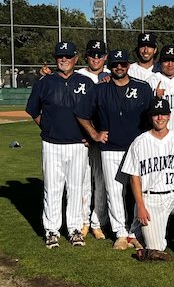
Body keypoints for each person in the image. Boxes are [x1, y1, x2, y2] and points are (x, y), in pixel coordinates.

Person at [75, 49, 153, 250]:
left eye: (123, 63)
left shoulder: (143, 88)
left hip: (137, 148)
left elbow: (151, 117)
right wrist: (94, 134)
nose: (119, 67)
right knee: (114, 191)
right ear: (110, 65)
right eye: (116, 64)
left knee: (140, 191)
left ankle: (135, 231)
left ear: (129, 65)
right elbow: (82, 114)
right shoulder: (99, 89)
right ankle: (120, 232)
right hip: (110, 148)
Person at [25, 41, 95, 248]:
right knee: (52, 188)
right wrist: (46, 128)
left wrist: (89, 135)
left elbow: (95, 111)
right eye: (60, 56)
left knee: (75, 188)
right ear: (55, 59)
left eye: (67, 56)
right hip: (52, 143)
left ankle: (74, 228)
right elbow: (33, 110)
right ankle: (52, 230)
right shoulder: (44, 82)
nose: (63, 59)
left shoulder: (86, 82)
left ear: (75, 58)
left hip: (78, 144)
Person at [121, 98, 174, 260]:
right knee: (156, 249)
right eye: (156, 114)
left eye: (163, 114)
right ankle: (144, 241)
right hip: (151, 198)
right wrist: (141, 206)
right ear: (150, 117)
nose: (159, 118)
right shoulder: (140, 142)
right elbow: (134, 177)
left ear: (169, 116)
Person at [76, 39, 110, 240]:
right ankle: (83, 221)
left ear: (105, 57)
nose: (96, 58)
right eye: (92, 54)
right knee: (82, 182)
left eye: (100, 55)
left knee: (101, 182)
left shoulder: (110, 75)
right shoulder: (79, 75)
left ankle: (98, 223)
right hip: (83, 138)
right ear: (86, 55)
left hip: (103, 137)